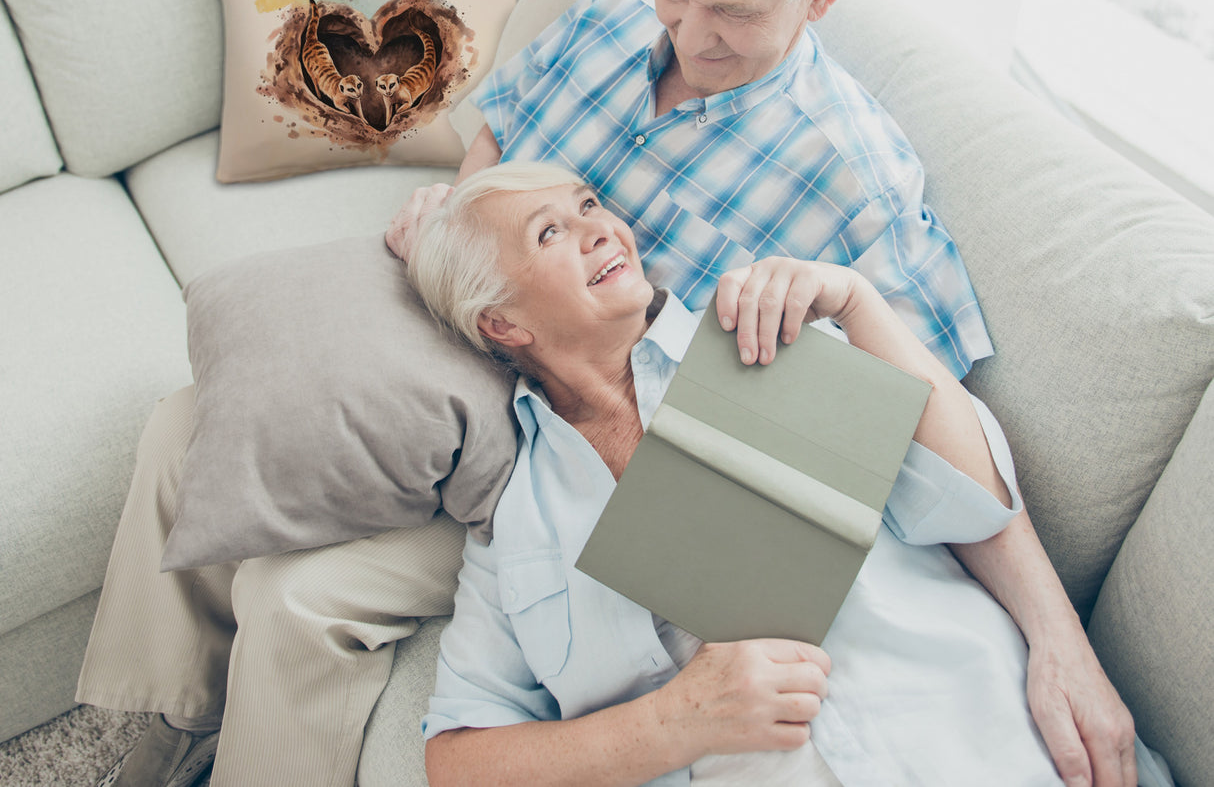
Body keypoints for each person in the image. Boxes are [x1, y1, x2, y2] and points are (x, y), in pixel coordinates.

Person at [79, 0, 1132, 787]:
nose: (687, 31)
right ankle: (160, 722)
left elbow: (926, 428)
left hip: (579, 424)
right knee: (192, 420)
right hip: (487, 320)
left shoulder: (854, 181)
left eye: (732, 11)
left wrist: (1058, 637)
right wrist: (457, 217)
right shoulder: (607, 21)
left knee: (300, 596)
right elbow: (499, 142)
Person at [407, 161, 1159, 787]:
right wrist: (674, 722)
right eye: (550, 232)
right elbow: (458, 760)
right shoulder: (517, 525)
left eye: (589, 205)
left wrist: (858, 303)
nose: (601, 228)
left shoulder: (762, 334)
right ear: (502, 323)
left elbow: (972, 502)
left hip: (987, 740)